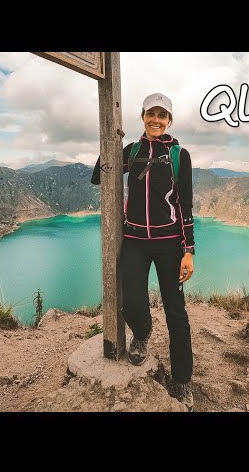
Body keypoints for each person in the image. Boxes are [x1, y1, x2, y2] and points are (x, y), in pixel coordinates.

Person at [91, 92, 195, 411]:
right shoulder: (132, 150)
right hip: (134, 240)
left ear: (170, 121)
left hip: (169, 244)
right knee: (132, 303)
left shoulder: (180, 155)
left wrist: (188, 251)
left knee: (175, 311)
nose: (156, 120)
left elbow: (185, 203)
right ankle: (143, 332)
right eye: (152, 114)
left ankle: (181, 380)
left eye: (163, 115)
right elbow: (99, 176)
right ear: (143, 116)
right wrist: (112, 142)